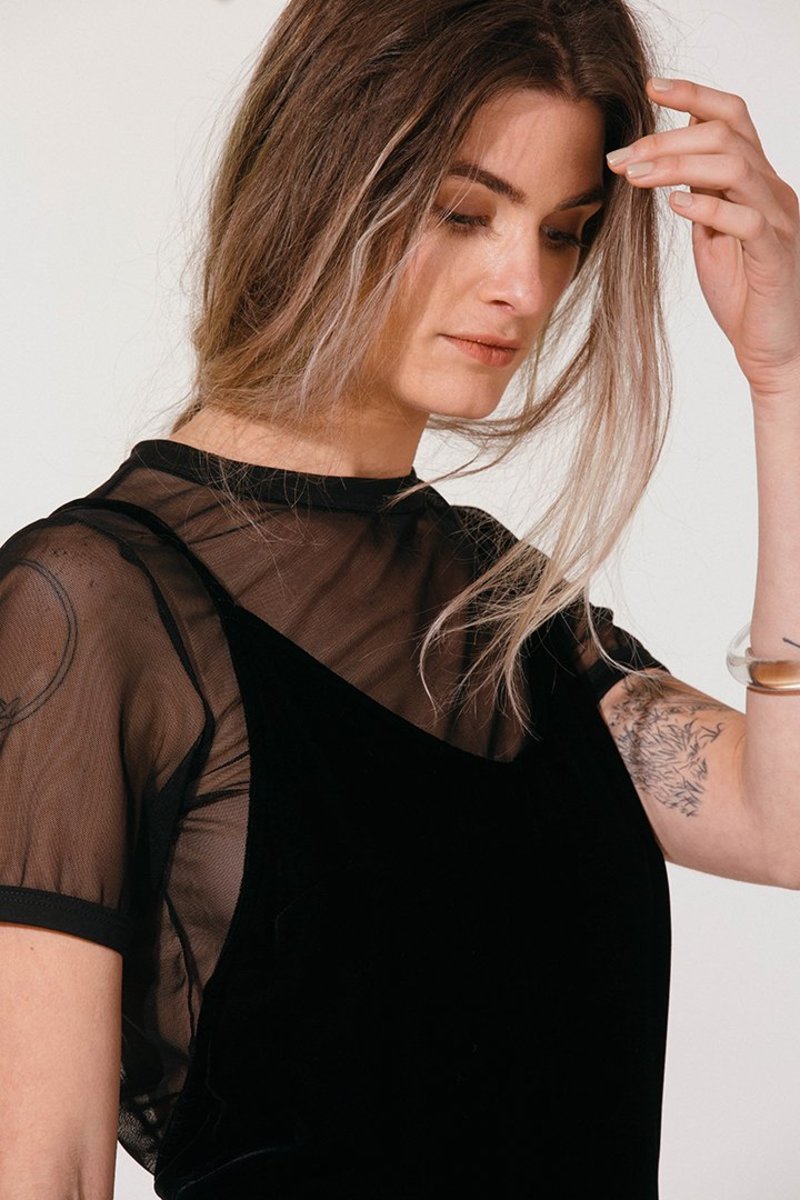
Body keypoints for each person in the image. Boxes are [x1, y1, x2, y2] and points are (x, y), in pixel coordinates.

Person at [2, 1, 799, 1197]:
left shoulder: (498, 606)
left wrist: (783, 376)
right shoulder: (90, 603)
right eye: (463, 213)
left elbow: (781, 820)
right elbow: (44, 1171)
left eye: (564, 232)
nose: (523, 285)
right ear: (319, 183)